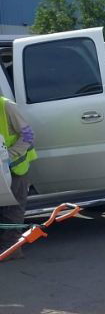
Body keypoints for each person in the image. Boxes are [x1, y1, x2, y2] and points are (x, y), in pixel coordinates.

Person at [0, 95, 37, 261]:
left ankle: (11, 250)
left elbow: (28, 135)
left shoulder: (6, 106)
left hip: (15, 166)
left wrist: (8, 155)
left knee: (12, 209)